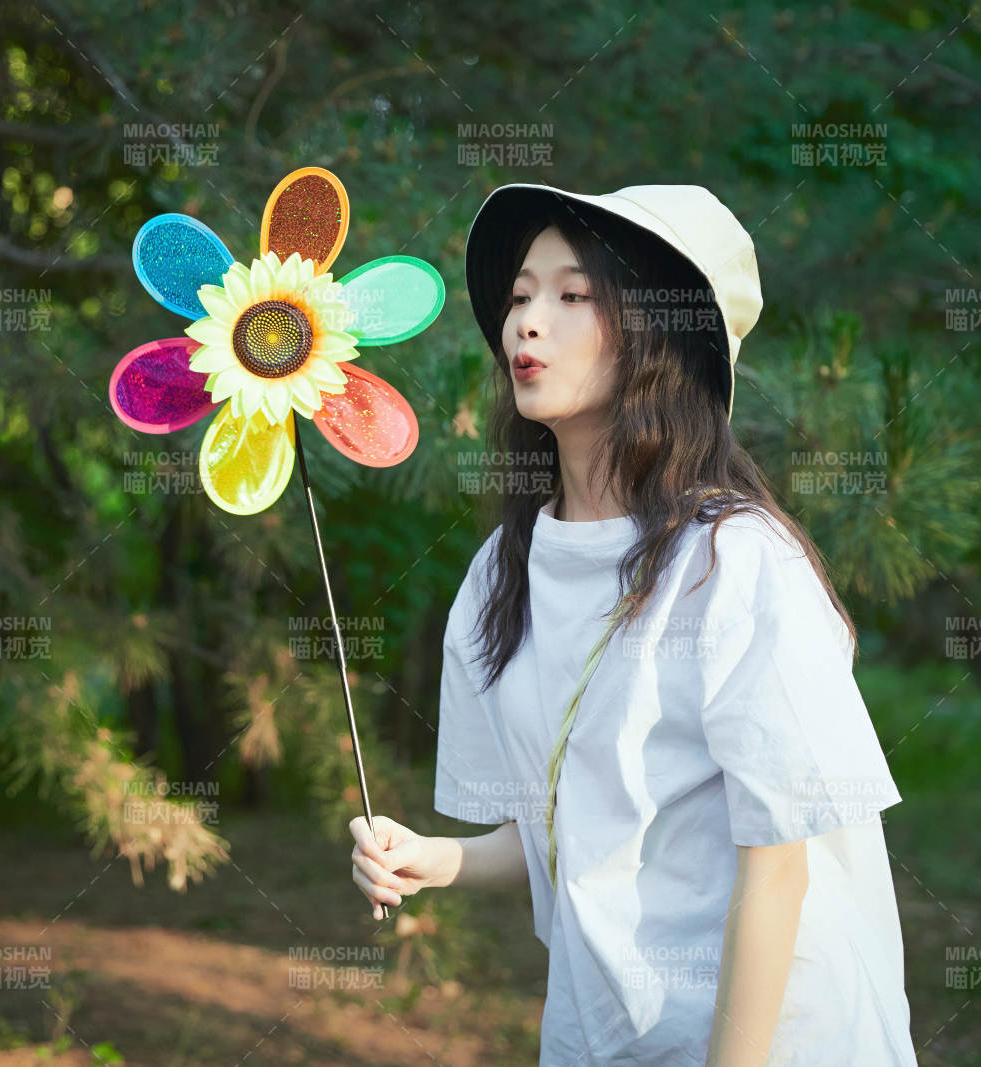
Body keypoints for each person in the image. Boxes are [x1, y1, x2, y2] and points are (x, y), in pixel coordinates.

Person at [348, 183, 918, 1066]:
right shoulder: (501, 573)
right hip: (599, 1037)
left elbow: (778, 866)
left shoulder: (735, 559)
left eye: (573, 295)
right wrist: (434, 856)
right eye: (521, 295)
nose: (526, 322)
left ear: (662, 335)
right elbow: (563, 824)